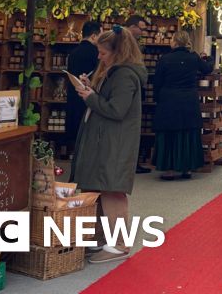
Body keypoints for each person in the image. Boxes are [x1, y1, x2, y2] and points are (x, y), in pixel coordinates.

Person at [72, 26, 148, 264]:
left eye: (103, 53)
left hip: (115, 141)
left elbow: (117, 110)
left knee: (113, 190)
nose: (99, 57)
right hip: (108, 139)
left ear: (117, 52)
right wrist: (92, 90)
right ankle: (109, 239)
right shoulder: (116, 72)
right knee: (105, 188)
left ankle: (120, 244)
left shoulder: (124, 75)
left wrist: (91, 97)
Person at [153, 30, 212, 180]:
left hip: (169, 99)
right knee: (188, 133)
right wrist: (208, 58)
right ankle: (187, 168)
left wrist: (157, 98)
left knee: (170, 134)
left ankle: (170, 170)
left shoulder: (165, 59)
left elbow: (157, 81)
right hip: (189, 99)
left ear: (175, 41)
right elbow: (207, 69)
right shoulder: (193, 57)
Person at [66, 20, 101, 150]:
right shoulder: (97, 53)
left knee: (75, 131)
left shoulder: (73, 53)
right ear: (93, 36)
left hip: (73, 94)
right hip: (89, 96)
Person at [123, 14, 151, 173]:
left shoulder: (129, 40)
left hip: (130, 88)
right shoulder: (124, 41)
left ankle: (130, 163)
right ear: (132, 27)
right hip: (128, 90)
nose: (142, 32)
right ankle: (129, 164)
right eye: (141, 29)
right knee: (129, 131)